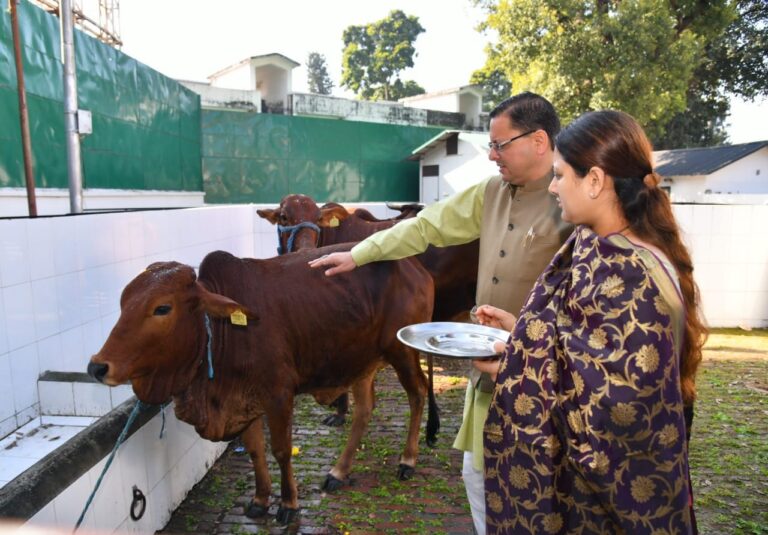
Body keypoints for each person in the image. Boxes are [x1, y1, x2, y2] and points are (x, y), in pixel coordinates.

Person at [309, 92, 572, 535]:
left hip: (547, 382)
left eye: (500, 144)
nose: (492, 155)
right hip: (487, 373)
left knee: (539, 490)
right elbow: (426, 225)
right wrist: (359, 254)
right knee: (476, 476)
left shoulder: (572, 203)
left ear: (540, 140)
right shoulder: (491, 192)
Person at [478, 110, 705, 534]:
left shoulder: (633, 276)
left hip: (610, 509)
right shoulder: (598, 247)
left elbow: (610, 412)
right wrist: (523, 336)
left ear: (596, 180)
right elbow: (580, 348)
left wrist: (516, 364)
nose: (552, 186)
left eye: (561, 175)